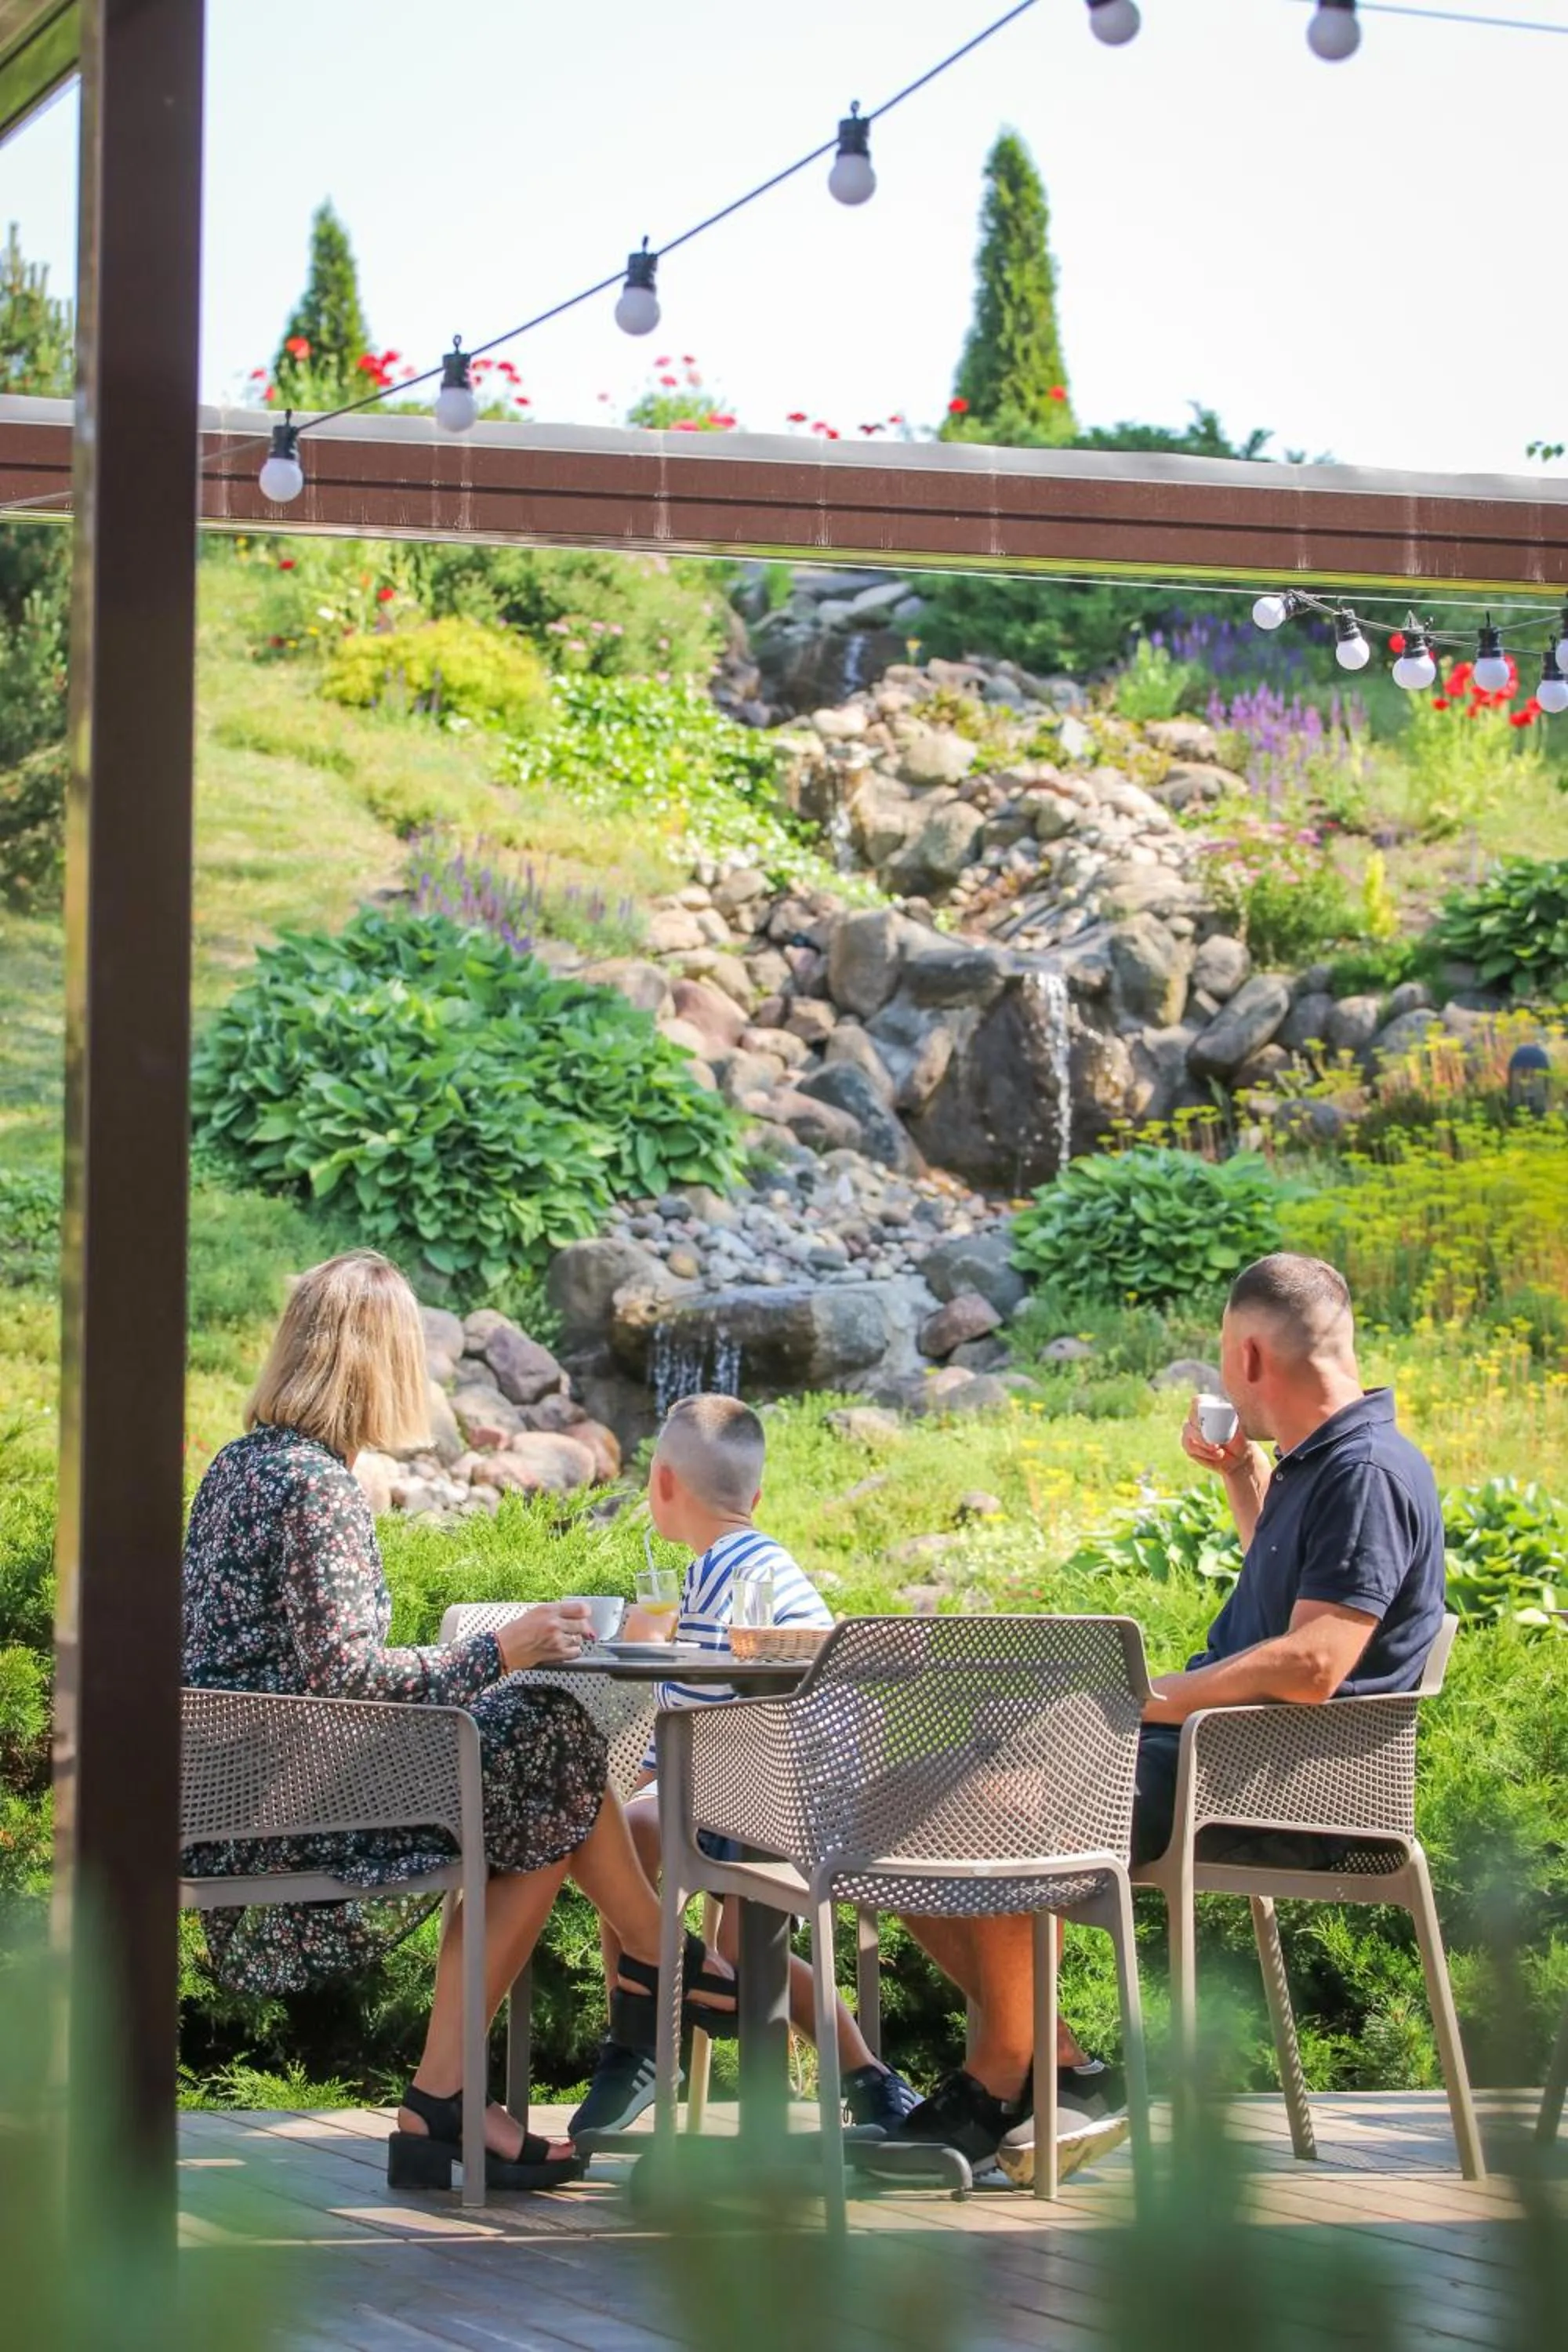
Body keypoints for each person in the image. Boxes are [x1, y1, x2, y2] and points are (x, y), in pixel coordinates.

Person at [883, 1251, 1447, 2187]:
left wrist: (1153, 1693)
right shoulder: (1318, 1461)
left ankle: (999, 2079)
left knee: (985, 1809)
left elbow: (1314, 1664)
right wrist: (1242, 1476)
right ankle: (1059, 2067)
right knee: (904, 1798)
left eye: (1224, 1356)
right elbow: (1291, 1595)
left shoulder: (1365, 1473)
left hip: (1276, 1785)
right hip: (1216, 1756)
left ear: (1249, 1358)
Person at [181, 1250, 737, 2194]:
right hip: (284, 1804)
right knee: (548, 1750)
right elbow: (344, 1677)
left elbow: (305, 1673)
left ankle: (454, 2097)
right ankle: (655, 1959)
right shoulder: (315, 1486)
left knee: (544, 1753)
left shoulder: (241, 1464)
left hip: (237, 1784)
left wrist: (497, 1673)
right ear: (381, 1365)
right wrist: (501, 1651)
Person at [574, 1392, 921, 2140]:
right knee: (739, 1955)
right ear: (756, 1500)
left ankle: (640, 2042)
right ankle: (870, 2079)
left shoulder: (718, 1577)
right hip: (821, 1799)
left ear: (662, 1483)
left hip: (768, 1796)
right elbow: (703, 1717)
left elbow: (690, 1725)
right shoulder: (763, 1563)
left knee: (624, 1837)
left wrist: (637, 1769)